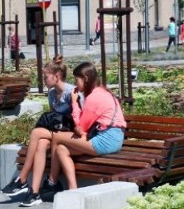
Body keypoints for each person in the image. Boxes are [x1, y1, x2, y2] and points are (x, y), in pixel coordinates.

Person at [45, 61, 127, 195]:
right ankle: (73, 191)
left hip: (106, 141)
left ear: (86, 79)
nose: (75, 83)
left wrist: (74, 102)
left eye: (77, 79)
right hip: (111, 138)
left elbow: (80, 127)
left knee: (57, 136)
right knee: (61, 149)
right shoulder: (102, 91)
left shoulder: (94, 97)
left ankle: (52, 182)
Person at [1, 56, 73, 206]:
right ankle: (34, 192)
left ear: (57, 76)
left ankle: (22, 179)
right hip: (57, 134)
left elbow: (78, 120)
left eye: (46, 77)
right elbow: (53, 119)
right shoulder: (52, 94)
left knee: (36, 133)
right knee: (40, 143)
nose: (43, 80)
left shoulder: (71, 93)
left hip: (71, 135)